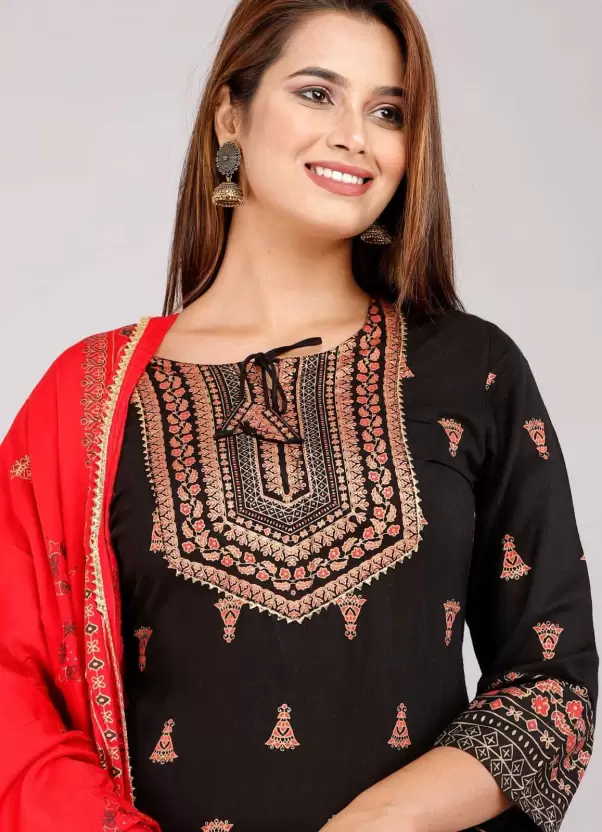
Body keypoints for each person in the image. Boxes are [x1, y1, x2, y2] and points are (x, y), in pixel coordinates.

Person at [0, 1, 597, 831]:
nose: (355, 135)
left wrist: (380, 823)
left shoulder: (475, 370)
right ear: (229, 116)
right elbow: (12, 698)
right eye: (318, 94)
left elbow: (552, 688)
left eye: (387, 112)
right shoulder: (90, 400)